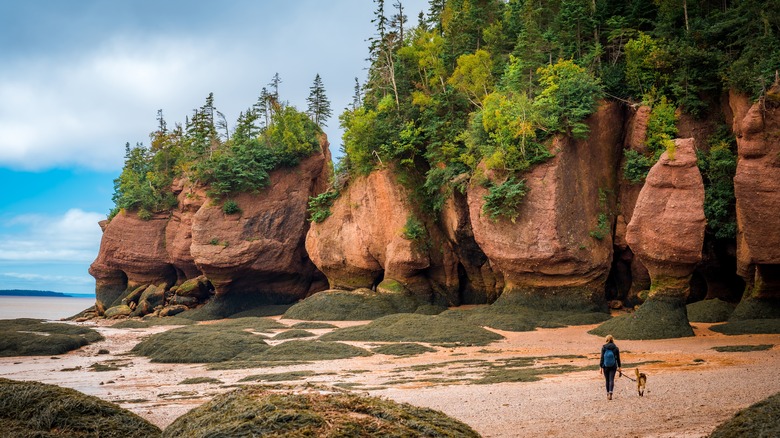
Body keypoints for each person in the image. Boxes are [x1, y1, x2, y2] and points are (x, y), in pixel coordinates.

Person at [599, 334, 621, 400]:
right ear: (612, 339)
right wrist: (619, 367)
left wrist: (601, 367)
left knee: (607, 380)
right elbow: (618, 359)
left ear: (606, 340)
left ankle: (608, 393)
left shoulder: (604, 347)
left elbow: (602, 358)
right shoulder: (616, 348)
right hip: (613, 365)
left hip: (605, 366)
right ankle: (611, 393)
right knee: (611, 379)